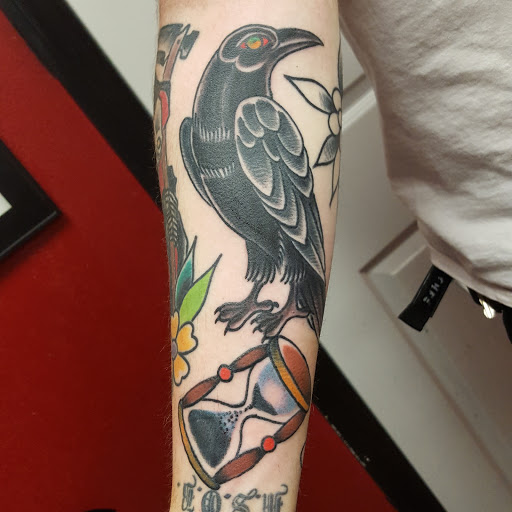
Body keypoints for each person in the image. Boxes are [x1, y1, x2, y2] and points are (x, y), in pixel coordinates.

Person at [154, 1, 512, 510]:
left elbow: (294, 228)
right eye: (257, 47)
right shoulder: (198, 135)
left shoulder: (257, 117)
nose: (273, 49)